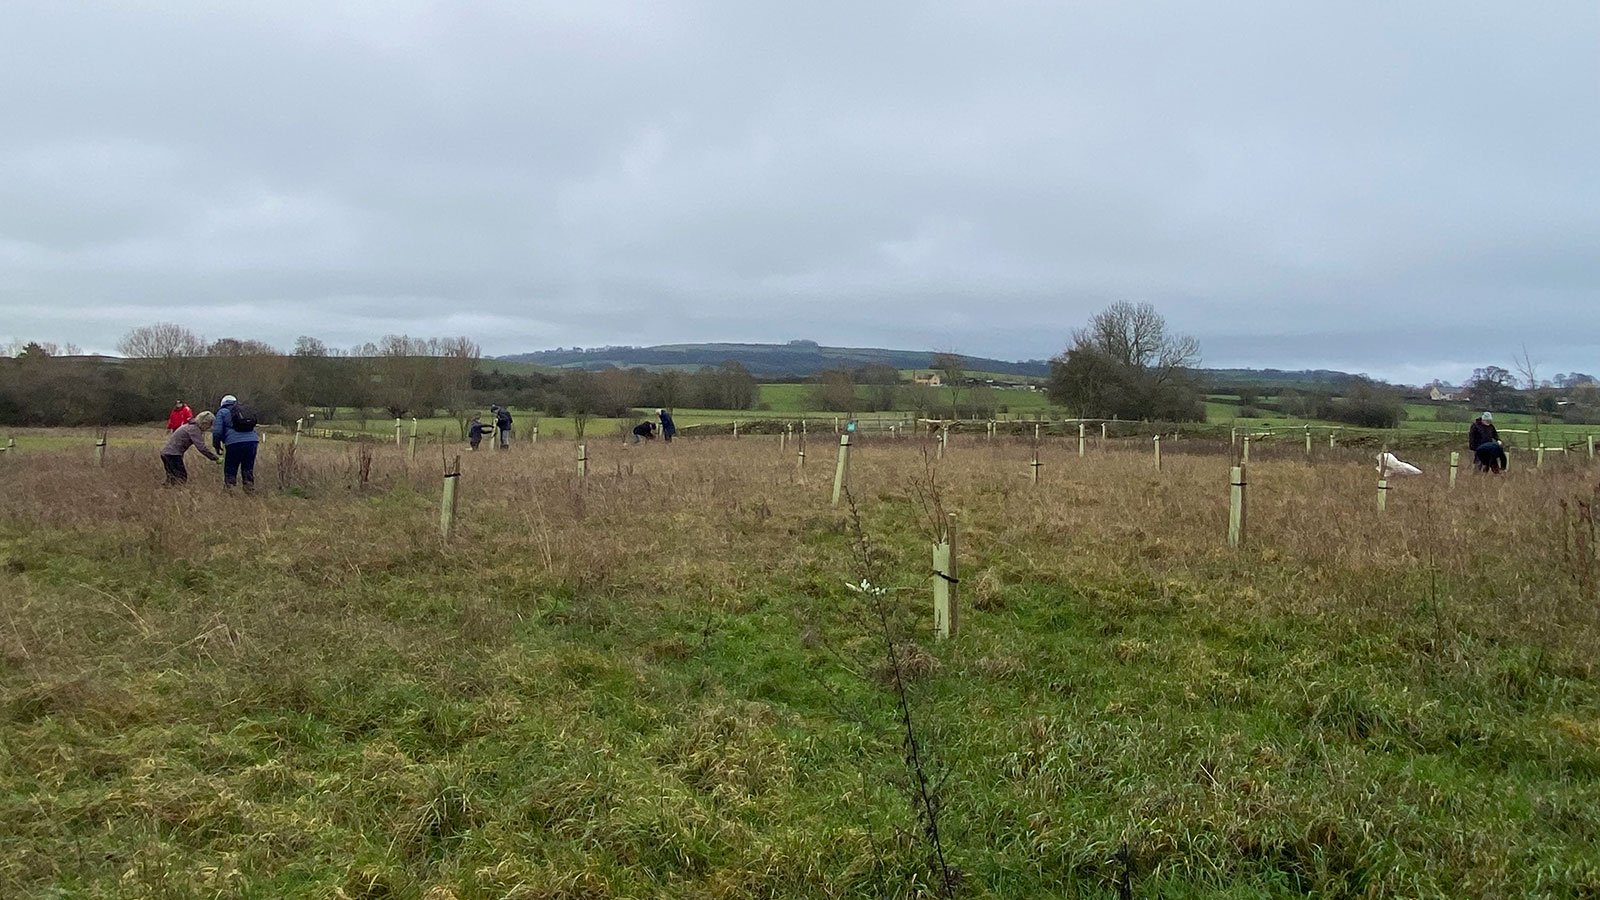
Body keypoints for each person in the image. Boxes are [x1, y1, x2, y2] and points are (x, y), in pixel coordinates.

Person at [212, 394, 261, 491]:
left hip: (234, 443)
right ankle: (249, 489)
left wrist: (217, 445)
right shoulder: (244, 410)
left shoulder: (222, 412)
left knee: (231, 467)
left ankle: (230, 489)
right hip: (252, 441)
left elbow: (217, 432)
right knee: (248, 467)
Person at [159, 410, 218, 484]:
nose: (209, 427)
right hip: (172, 455)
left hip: (166, 453)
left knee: (172, 479)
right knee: (181, 478)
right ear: (204, 423)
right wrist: (215, 458)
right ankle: (175, 493)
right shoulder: (194, 430)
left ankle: (164, 492)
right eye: (210, 424)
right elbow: (202, 448)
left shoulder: (190, 426)